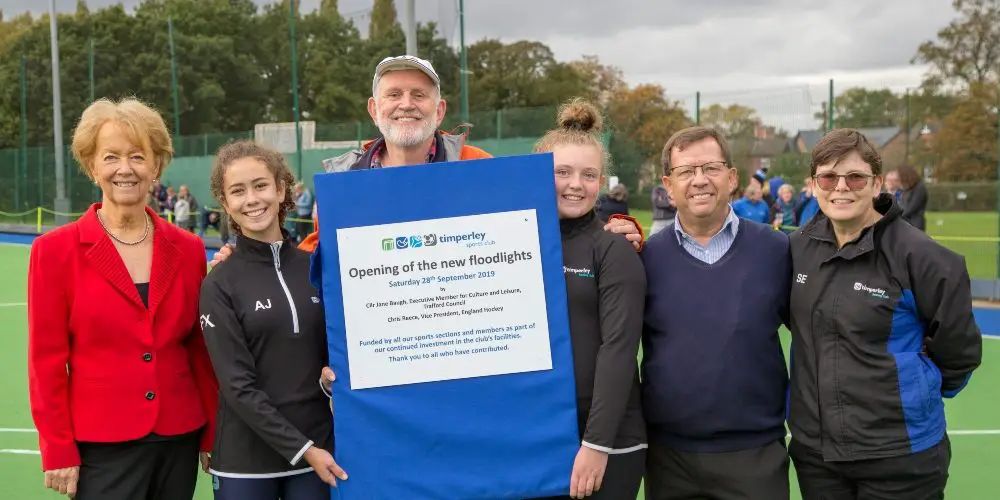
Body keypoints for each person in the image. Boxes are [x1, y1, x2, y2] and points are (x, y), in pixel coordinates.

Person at [210, 55, 642, 265]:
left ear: (440, 110)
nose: (406, 105)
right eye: (393, 95)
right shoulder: (344, 182)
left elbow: (545, 219)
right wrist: (250, 261)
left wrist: (620, 229)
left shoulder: (478, 164)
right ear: (374, 110)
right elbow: (316, 258)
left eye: (420, 95)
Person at [27, 97, 217, 499]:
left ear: (156, 166)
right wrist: (57, 448)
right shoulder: (54, 251)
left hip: (178, 435)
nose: (125, 169)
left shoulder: (188, 249)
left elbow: (200, 348)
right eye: (111, 157)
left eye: (137, 156)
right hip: (100, 443)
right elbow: (45, 362)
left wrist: (214, 431)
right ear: (92, 167)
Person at [787, 129, 981, 500]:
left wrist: (912, 392)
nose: (841, 187)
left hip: (900, 457)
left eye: (855, 177)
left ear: (877, 182)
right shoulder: (795, 249)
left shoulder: (924, 258)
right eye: (828, 176)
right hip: (817, 454)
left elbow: (959, 353)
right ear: (814, 184)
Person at [642, 126, 790, 500]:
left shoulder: (776, 250)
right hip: (669, 459)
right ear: (668, 186)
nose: (699, 180)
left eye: (710, 168)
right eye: (686, 172)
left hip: (755, 454)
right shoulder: (643, 258)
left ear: (732, 178)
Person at [200, 141, 346, 500]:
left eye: (261, 185)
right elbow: (237, 387)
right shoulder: (219, 282)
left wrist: (332, 381)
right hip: (245, 461)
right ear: (226, 203)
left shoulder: (316, 267)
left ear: (281, 189)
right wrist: (303, 448)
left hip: (318, 452)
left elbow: (334, 357)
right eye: (238, 191)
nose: (252, 199)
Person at [533, 99, 646, 500]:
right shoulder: (517, 243)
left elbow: (619, 349)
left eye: (588, 174)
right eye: (561, 172)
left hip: (605, 440)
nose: (575, 184)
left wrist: (597, 444)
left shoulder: (612, 249)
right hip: (538, 434)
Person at [897, 164, 928, 231]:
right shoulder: (908, 188)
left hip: (915, 224)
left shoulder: (919, 188)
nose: (899, 178)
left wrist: (895, 216)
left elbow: (911, 208)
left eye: (900, 176)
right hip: (906, 223)